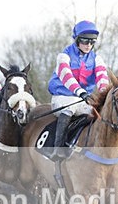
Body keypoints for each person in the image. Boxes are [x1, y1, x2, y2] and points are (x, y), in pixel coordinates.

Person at [47, 20, 110, 158]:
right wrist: (81, 92)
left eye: (92, 42)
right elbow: (67, 77)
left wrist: (104, 95)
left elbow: (102, 77)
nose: (88, 45)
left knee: (100, 113)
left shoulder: (96, 59)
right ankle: (58, 149)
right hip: (62, 96)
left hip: (83, 99)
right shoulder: (64, 56)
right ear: (76, 40)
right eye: (85, 41)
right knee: (69, 109)